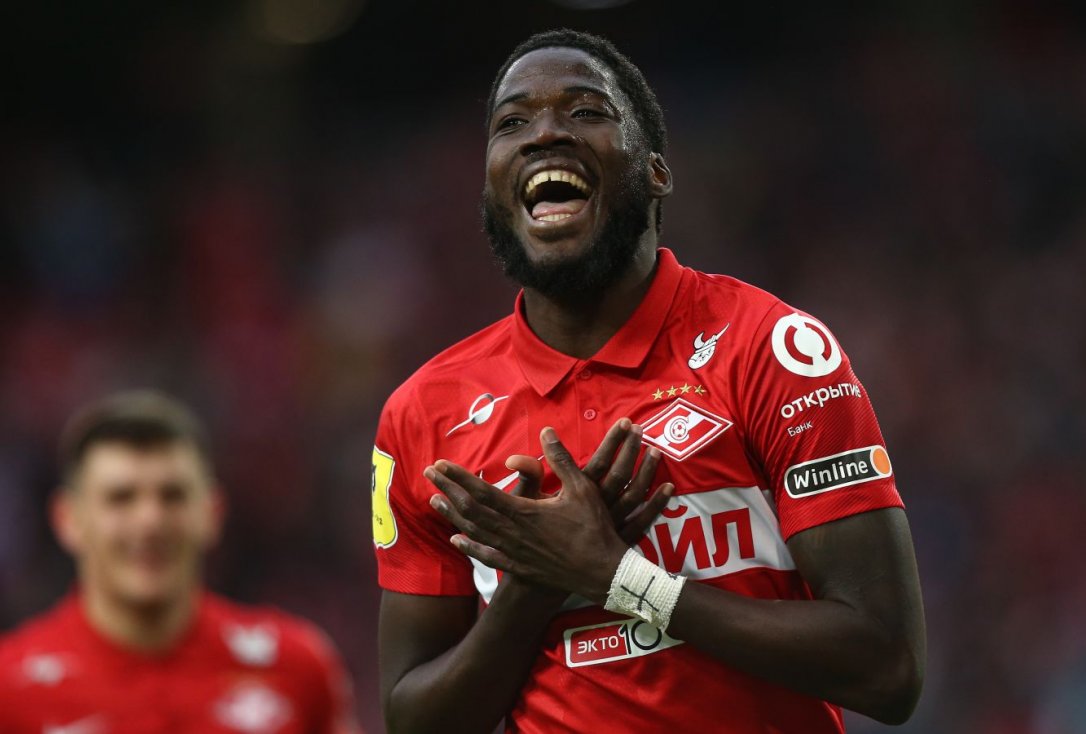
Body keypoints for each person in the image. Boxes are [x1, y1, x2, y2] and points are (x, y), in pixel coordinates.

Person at [374, 28, 925, 734]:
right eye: (511, 123)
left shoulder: (771, 349)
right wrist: (533, 586)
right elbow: (414, 719)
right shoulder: (424, 414)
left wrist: (622, 578)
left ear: (656, 172)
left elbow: (888, 669)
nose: (544, 133)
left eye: (585, 111)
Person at [0, 390, 362, 733]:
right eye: (121, 498)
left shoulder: (296, 670)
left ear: (213, 513)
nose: (150, 521)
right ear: (68, 519)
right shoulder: (10, 690)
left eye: (172, 496)